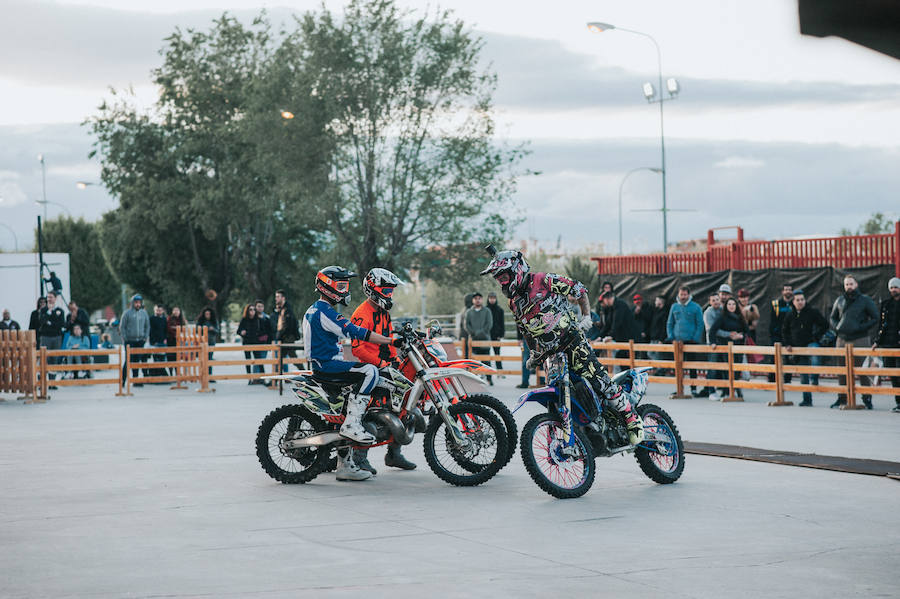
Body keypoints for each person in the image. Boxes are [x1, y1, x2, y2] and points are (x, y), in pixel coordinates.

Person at [480, 248, 644, 445]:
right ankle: (581, 427)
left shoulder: (544, 279)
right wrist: (533, 352)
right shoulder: (514, 302)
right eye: (499, 279)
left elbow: (578, 289)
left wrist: (586, 317)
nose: (503, 282)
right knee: (557, 389)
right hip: (551, 354)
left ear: (517, 269)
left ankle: (631, 417)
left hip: (573, 341)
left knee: (599, 380)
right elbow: (524, 328)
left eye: (504, 276)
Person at [303, 266, 395, 482]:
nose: (345, 290)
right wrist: (391, 341)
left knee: (345, 406)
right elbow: (355, 332)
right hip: (327, 365)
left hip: (328, 363)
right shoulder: (324, 312)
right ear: (327, 287)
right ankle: (353, 424)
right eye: (341, 286)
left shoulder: (317, 309)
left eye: (346, 286)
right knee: (370, 370)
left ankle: (344, 465)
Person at [350, 268, 416, 473]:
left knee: (403, 404)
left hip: (384, 365)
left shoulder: (383, 313)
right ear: (372, 289)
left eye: (391, 291)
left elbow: (387, 341)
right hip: (370, 367)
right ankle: (360, 458)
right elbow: (357, 347)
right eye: (386, 291)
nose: (389, 295)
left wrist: (395, 359)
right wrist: (381, 363)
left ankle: (394, 454)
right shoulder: (362, 313)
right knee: (373, 412)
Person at [829, 274, 879, 409]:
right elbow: (832, 318)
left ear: (856, 284)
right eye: (846, 284)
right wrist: (837, 328)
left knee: (863, 370)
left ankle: (867, 398)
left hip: (860, 338)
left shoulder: (865, 300)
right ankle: (842, 398)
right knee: (842, 370)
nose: (849, 287)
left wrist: (860, 328)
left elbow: (875, 318)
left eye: (851, 284)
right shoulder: (839, 300)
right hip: (842, 339)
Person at [783, 289, 828, 407]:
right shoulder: (789, 314)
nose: (800, 302)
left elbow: (825, 324)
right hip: (797, 347)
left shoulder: (812, 312)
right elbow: (785, 331)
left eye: (802, 299)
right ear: (793, 302)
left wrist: (816, 336)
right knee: (803, 375)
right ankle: (807, 400)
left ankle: (815, 378)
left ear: (805, 300)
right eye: (797, 300)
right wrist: (788, 343)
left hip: (811, 343)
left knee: (815, 354)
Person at [666, 286, 705, 397]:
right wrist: (671, 337)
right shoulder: (674, 307)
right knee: (678, 366)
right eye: (681, 294)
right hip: (677, 342)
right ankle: (679, 388)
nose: (683, 297)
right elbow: (670, 323)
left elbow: (700, 324)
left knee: (692, 365)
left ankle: (693, 388)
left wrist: (695, 338)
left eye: (685, 294)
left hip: (691, 341)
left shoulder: (696, 307)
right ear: (678, 294)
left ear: (688, 295)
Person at [710, 297, 751, 399]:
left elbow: (747, 331)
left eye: (733, 304)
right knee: (727, 370)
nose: (731, 306)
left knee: (737, 369)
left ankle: (736, 390)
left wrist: (740, 335)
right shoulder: (722, 317)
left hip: (738, 347)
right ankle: (727, 391)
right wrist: (713, 343)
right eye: (729, 304)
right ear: (726, 306)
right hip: (726, 347)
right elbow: (713, 330)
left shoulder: (740, 317)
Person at [873, 277, 900, 413]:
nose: (894, 290)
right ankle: (898, 402)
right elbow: (881, 325)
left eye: (896, 287)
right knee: (892, 373)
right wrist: (877, 341)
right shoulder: (886, 304)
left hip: (899, 343)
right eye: (891, 287)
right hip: (888, 343)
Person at [598, 290, 636, 372]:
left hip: (627, 338)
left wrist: (610, 336)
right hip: (619, 338)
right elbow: (608, 325)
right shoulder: (611, 308)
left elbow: (617, 323)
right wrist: (600, 336)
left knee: (624, 362)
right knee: (617, 361)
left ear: (607, 299)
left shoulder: (620, 305)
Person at [119, 294, 150, 386]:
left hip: (140, 340)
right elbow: (122, 327)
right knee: (128, 361)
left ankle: (135, 380)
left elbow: (147, 326)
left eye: (139, 303)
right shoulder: (127, 313)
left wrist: (145, 337)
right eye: (136, 303)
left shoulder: (144, 313)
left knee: (137, 361)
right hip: (129, 341)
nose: (138, 304)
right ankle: (122, 381)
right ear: (133, 303)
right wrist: (125, 338)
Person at [38, 291, 66, 389]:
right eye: (48, 297)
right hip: (45, 336)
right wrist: (49, 313)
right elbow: (42, 321)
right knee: (44, 358)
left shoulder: (60, 311)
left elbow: (61, 324)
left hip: (56, 337)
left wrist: (50, 322)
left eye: (51, 297)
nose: (49, 299)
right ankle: (42, 382)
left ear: (55, 298)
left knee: (54, 358)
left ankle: (52, 382)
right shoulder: (43, 310)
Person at [465, 292, 494, 384]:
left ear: (482, 299)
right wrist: (474, 333)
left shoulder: (487, 311)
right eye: (475, 298)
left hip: (485, 339)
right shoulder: (469, 312)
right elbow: (466, 325)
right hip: (473, 340)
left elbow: (489, 324)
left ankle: (489, 379)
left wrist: (480, 333)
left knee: (486, 360)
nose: (477, 300)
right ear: (473, 300)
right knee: (474, 361)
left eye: (479, 298)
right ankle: (474, 379)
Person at [702, 293, 726, 400]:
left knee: (725, 367)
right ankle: (711, 391)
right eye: (713, 300)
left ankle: (725, 391)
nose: (716, 301)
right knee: (712, 368)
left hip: (724, 343)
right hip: (713, 344)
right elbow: (712, 329)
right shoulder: (708, 312)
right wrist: (729, 334)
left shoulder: (723, 310)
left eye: (717, 299)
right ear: (710, 302)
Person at [237, 303, 265, 384]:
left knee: (259, 361)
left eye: (253, 309)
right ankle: (249, 378)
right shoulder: (244, 319)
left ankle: (263, 378)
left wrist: (260, 337)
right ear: (247, 311)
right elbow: (238, 331)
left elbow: (263, 331)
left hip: (256, 342)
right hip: (247, 342)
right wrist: (242, 332)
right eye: (250, 310)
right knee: (248, 361)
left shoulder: (258, 319)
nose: (252, 311)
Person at [274, 290, 300, 372]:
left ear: (283, 298)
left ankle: (275, 379)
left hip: (288, 338)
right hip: (285, 337)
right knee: (283, 358)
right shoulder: (282, 309)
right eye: (276, 297)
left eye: (278, 297)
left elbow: (289, 325)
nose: (276, 299)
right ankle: (275, 378)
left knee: (281, 359)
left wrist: (282, 335)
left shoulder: (287, 309)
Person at [196, 307, 219, 377]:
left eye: (209, 314)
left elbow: (217, 331)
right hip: (202, 342)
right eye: (206, 314)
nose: (207, 315)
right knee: (203, 359)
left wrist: (213, 329)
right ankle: (203, 374)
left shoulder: (214, 321)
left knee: (210, 358)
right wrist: (203, 329)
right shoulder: (201, 321)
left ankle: (209, 375)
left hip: (211, 341)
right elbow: (197, 330)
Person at [486, 291, 505, 373]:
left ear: (496, 299)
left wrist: (501, 334)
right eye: (490, 298)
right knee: (486, 354)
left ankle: (499, 371)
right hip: (487, 335)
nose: (492, 300)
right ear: (488, 299)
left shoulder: (500, 310)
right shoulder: (485, 309)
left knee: (497, 354)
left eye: (493, 298)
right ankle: (487, 371)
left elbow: (502, 323)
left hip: (496, 335)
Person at [148, 304, 168, 378]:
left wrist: (165, 339)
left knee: (162, 357)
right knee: (156, 357)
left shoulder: (164, 319)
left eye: (160, 310)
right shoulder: (151, 318)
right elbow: (151, 331)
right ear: (154, 310)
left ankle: (162, 372)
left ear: (162, 311)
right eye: (157, 310)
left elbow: (165, 330)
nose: (158, 311)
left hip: (162, 341)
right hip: (155, 342)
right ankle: (156, 373)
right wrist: (153, 341)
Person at [165, 306, 186, 373]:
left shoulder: (182, 320)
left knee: (178, 357)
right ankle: (170, 372)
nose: (176, 312)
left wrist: (176, 328)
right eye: (175, 310)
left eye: (177, 310)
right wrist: (176, 330)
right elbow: (169, 328)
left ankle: (177, 372)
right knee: (171, 356)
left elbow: (183, 329)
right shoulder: (169, 319)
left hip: (179, 340)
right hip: (171, 340)